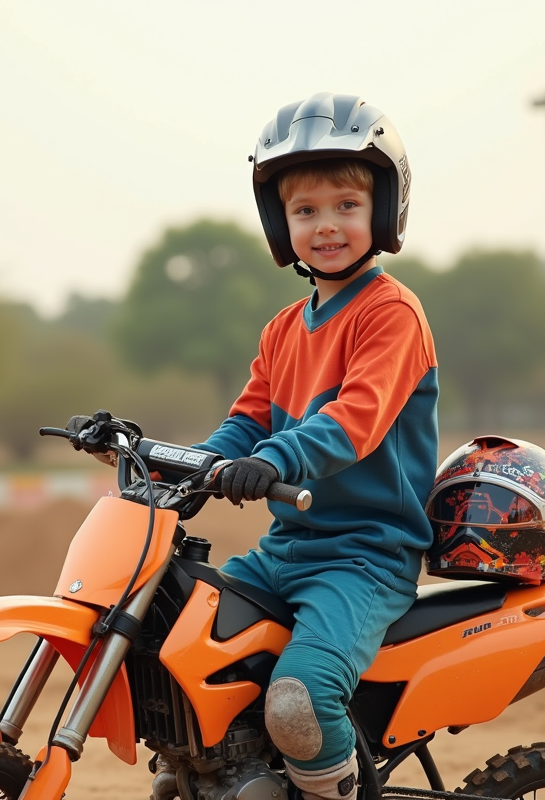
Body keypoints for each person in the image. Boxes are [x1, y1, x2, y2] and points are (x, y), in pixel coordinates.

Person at [199, 92, 439, 800]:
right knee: (187, 641)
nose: (326, 226)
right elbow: (246, 421)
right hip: (287, 550)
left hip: (366, 556)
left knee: (297, 704)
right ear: (281, 224)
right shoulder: (282, 328)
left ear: (383, 212)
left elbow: (354, 418)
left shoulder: (390, 313)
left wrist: (274, 460)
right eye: (305, 212)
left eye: (345, 206)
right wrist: (174, 461)